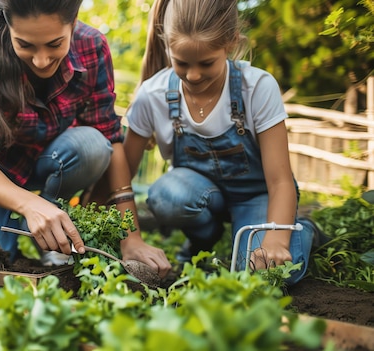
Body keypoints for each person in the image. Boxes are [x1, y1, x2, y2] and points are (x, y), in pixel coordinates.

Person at [0, 0, 171, 278]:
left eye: (54, 44)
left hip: (53, 162)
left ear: (74, 20)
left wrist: (132, 238)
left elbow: (111, 140)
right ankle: (34, 220)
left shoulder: (92, 47)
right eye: (25, 44)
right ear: (9, 26)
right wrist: (29, 204)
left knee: (93, 144)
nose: (41, 60)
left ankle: (52, 225)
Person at [124, 0, 322, 285]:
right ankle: (204, 242)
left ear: (230, 43)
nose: (193, 75)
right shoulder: (153, 94)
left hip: (258, 196)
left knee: (267, 276)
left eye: (206, 63)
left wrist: (276, 240)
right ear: (167, 46)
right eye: (181, 63)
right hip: (202, 195)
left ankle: (301, 231)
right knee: (166, 195)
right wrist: (128, 237)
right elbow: (122, 176)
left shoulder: (257, 87)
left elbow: (280, 181)